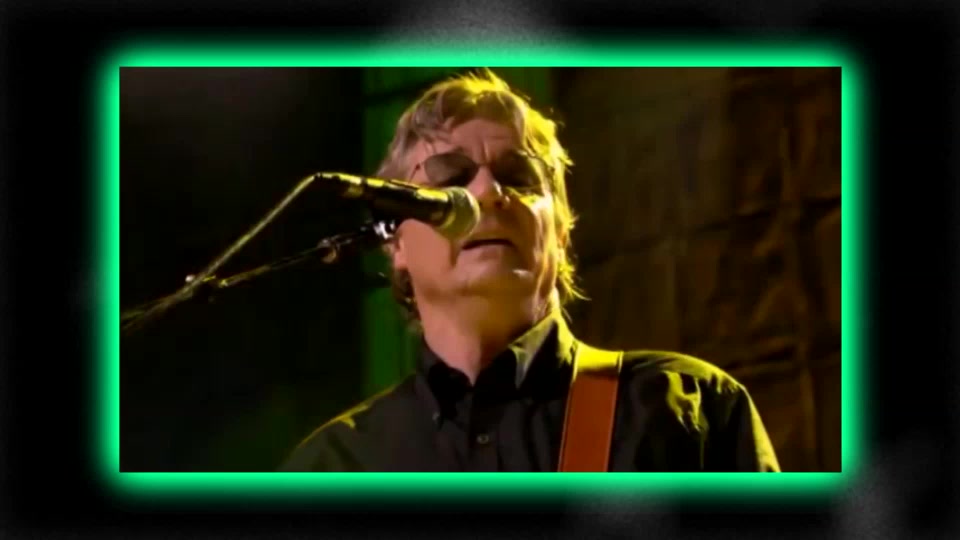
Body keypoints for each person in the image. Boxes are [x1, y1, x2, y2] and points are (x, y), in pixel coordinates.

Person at [280, 69, 780, 472]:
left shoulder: (686, 410)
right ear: (396, 243)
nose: (487, 193)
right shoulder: (332, 468)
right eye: (450, 179)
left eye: (519, 177)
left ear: (560, 233)